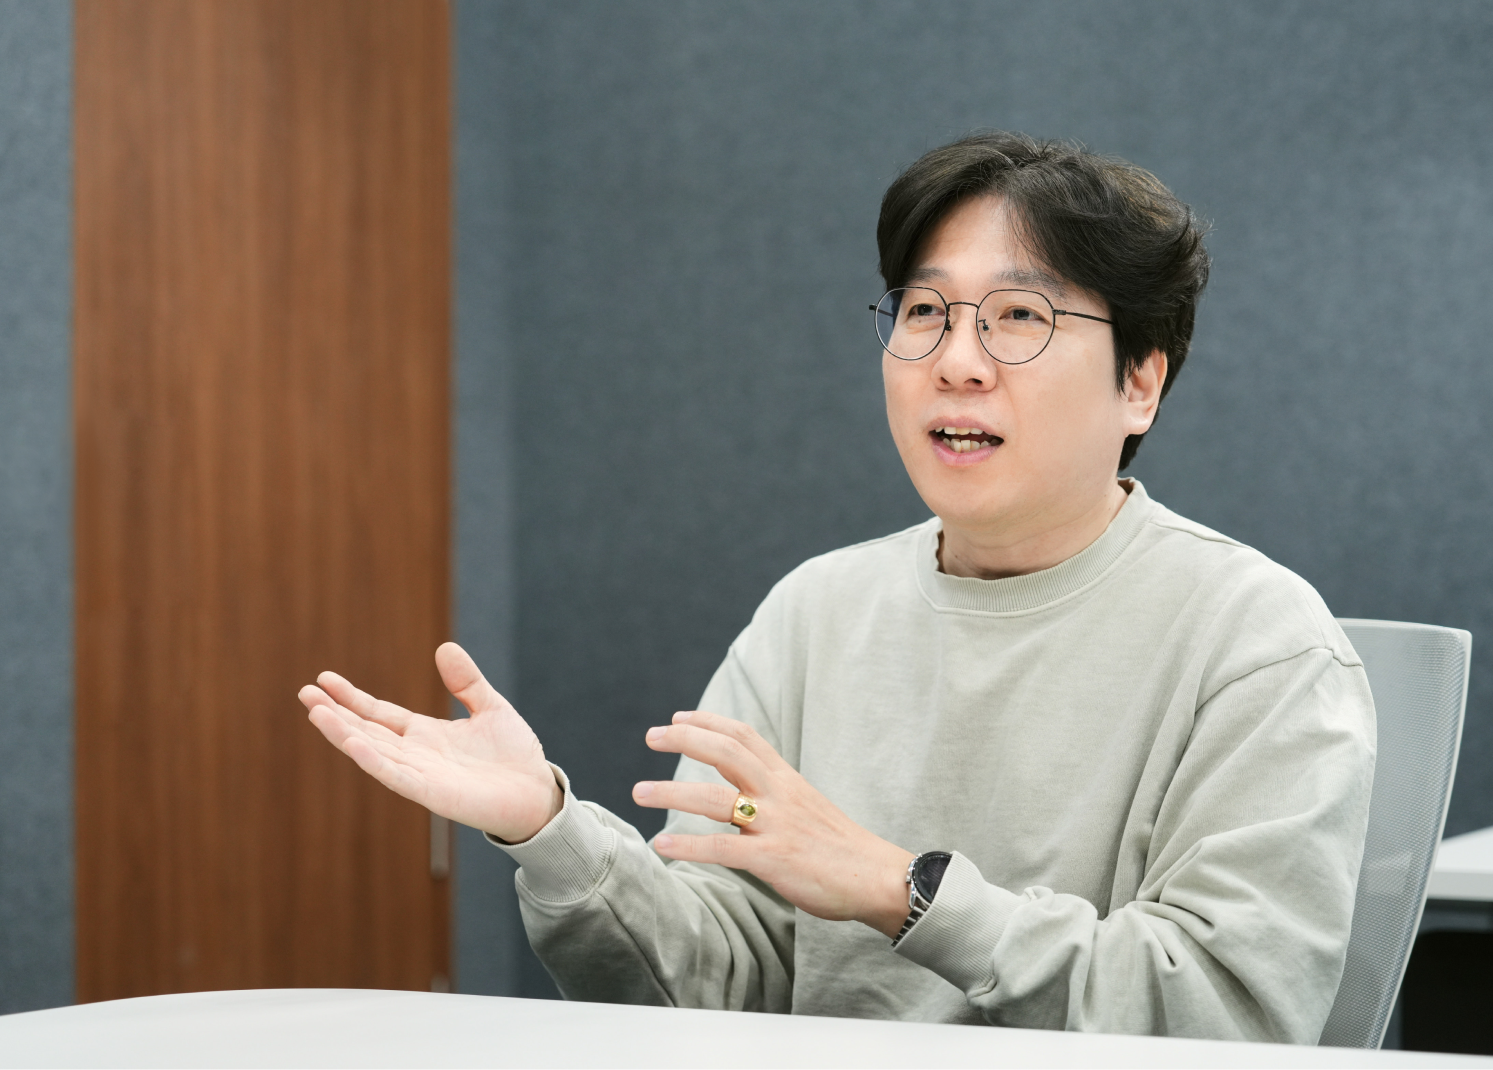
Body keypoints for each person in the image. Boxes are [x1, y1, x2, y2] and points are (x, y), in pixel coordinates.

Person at [302, 131, 1375, 1043]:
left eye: (1017, 317)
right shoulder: (815, 612)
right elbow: (706, 989)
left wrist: (898, 889)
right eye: (923, 313)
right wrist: (545, 825)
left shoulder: (1261, 642)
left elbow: (1233, 1020)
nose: (956, 360)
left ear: (1140, 378)